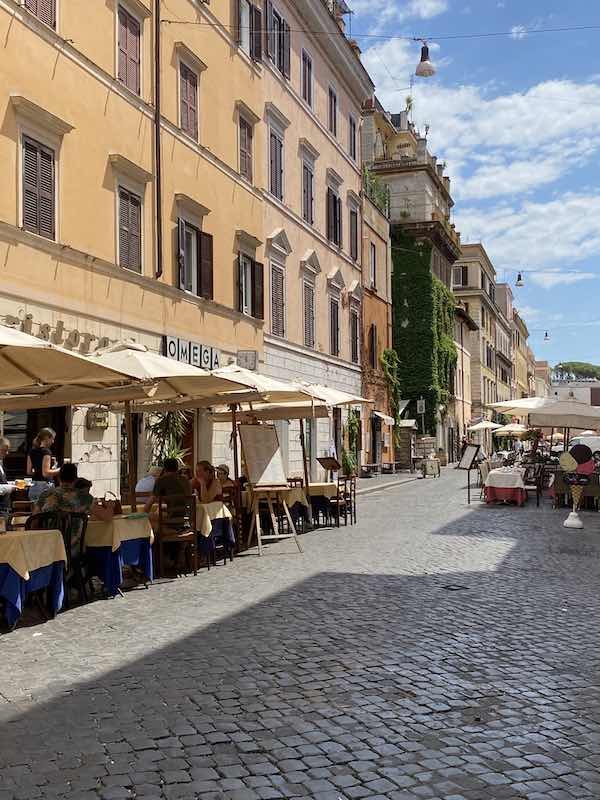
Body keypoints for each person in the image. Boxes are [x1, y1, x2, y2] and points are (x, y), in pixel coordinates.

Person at [35, 463, 114, 557]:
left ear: (59, 478)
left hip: (46, 547)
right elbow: (107, 517)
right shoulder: (83, 497)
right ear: (76, 479)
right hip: (72, 548)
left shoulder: (45, 495)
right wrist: (110, 506)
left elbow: (34, 520)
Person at [27, 427, 61, 502]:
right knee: (47, 512)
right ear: (46, 438)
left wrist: (38, 470)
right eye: (52, 439)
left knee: (35, 512)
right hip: (45, 487)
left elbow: (29, 472)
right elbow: (45, 473)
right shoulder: (46, 452)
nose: (53, 442)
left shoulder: (31, 451)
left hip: (34, 487)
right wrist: (61, 469)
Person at [0, 437, 16, 523]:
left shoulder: (0, 464)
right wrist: (11, 487)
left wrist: (13, 484)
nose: (7, 453)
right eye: (4, 450)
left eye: (8, 450)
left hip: (4, 508)